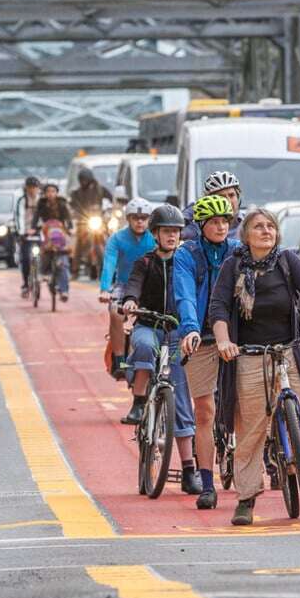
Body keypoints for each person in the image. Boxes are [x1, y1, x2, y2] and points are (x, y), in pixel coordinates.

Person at [209, 207, 300, 527]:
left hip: (290, 349)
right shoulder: (233, 266)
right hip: (249, 354)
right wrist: (224, 342)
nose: (266, 231)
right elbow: (219, 307)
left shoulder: (287, 260)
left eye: (271, 227)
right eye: (258, 227)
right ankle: (247, 497)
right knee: (250, 430)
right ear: (246, 234)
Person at [119, 204, 202, 495]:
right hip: (149, 324)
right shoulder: (145, 262)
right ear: (155, 234)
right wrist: (130, 301)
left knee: (180, 395)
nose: (172, 236)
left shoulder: (187, 261)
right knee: (142, 345)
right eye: (166, 231)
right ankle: (140, 400)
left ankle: (190, 468)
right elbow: (134, 284)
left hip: (178, 332)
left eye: (176, 232)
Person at [174, 194, 239, 510]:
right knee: (204, 411)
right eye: (214, 221)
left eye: (225, 221)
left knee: (249, 405)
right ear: (201, 225)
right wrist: (190, 328)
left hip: (234, 338)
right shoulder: (187, 254)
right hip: (201, 338)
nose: (220, 226)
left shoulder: (238, 252)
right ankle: (207, 484)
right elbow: (184, 294)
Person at [100, 198, 155, 375]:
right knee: (116, 312)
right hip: (123, 285)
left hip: (150, 284)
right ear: (128, 219)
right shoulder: (117, 238)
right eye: (135, 218)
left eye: (144, 218)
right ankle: (119, 361)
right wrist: (104, 289)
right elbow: (109, 264)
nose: (140, 222)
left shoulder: (155, 238)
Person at [32, 183, 73, 301]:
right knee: (44, 251)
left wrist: (70, 228)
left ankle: (64, 291)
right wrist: (33, 228)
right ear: (45, 193)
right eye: (48, 191)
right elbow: (35, 218)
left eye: (53, 191)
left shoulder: (62, 204)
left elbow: (68, 218)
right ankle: (44, 273)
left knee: (63, 263)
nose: (51, 194)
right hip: (46, 231)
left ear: (57, 192)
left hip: (60, 233)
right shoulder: (41, 204)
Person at [181, 171, 242, 242]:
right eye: (221, 197)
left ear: (238, 197)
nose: (228, 201)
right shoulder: (197, 224)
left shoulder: (247, 224)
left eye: (231, 195)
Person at [15, 176, 42, 297]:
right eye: (30, 188)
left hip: (40, 232)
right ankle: (26, 283)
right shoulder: (22, 200)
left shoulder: (42, 200)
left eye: (35, 188)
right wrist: (21, 232)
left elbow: (45, 217)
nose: (32, 190)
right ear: (26, 188)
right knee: (25, 258)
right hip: (25, 233)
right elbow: (19, 216)